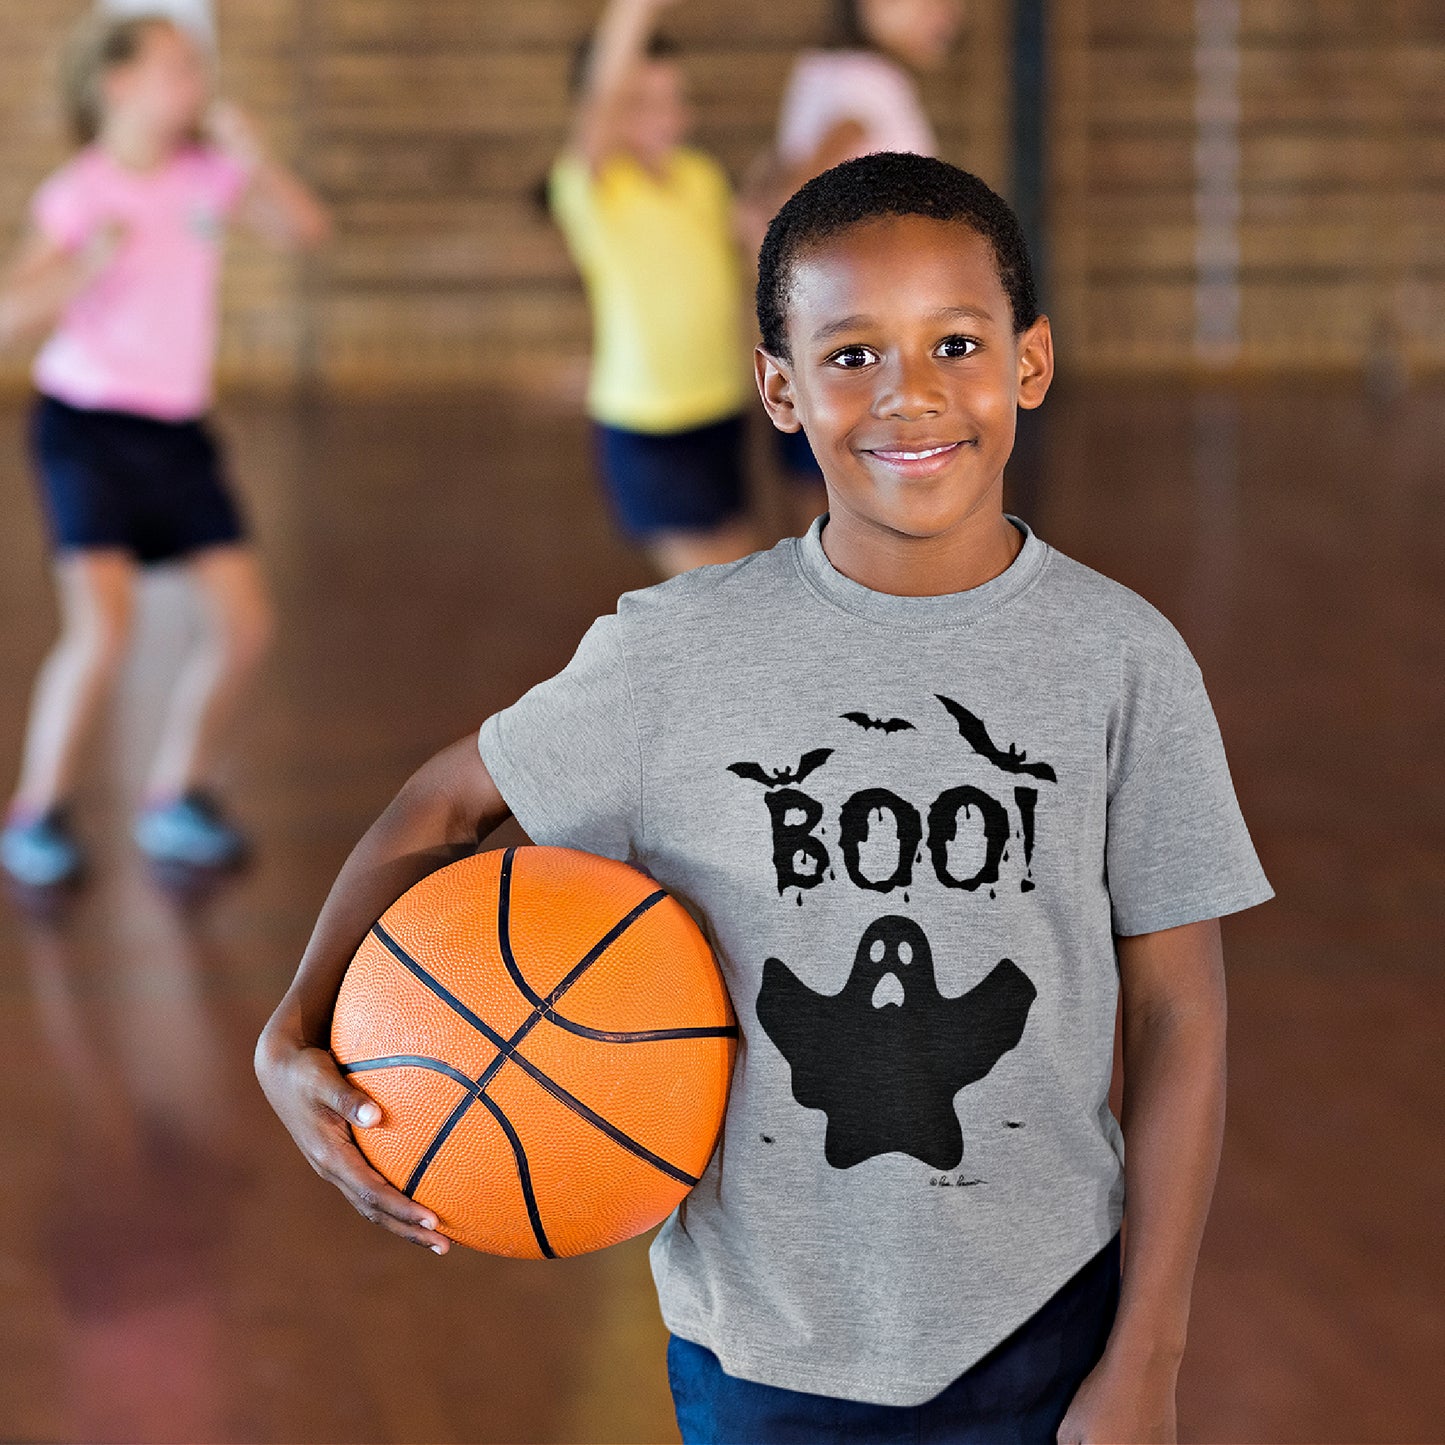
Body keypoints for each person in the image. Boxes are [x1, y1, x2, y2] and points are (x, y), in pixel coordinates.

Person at [256, 153, 1273, 1443]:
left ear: (1029, 361)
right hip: (761, 1346)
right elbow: (445, 802)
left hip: (1049, 1326)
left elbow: (1180, 1006)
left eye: (955, 341)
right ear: (777, 388)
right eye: (850, 355)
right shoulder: (677, 653)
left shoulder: (1122, 660)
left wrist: (1149, 1356)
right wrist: (290, 1024)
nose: (909, 392)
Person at [0, 12, 329, 888]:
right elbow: (7, 315)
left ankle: (175, 794)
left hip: (178, 432)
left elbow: (304, 231)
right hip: (87, 429)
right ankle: (36, 812)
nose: (197, 84)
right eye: (177, 68)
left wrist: (253, 155)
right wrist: (81, 267)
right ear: (119, 85)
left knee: (246, 627)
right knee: (102, 632)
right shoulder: (79, 194)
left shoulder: (209, 176)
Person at [548, 0, 757, 580]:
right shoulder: (592, 188)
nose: (666, 116)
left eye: (674, 99)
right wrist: (634, 13)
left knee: (744, 576)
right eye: (640, 103)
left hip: (720, 407)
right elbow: (601, 97)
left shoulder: (702, 176)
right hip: (648, 425)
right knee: (716, 597)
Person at [741, 0, 964, 518]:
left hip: (825, 334)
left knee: (822, 506)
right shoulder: (870, 83)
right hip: (860, 341)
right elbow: (784, 199)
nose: (949, 12)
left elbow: (768, 193)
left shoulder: (824, 69)